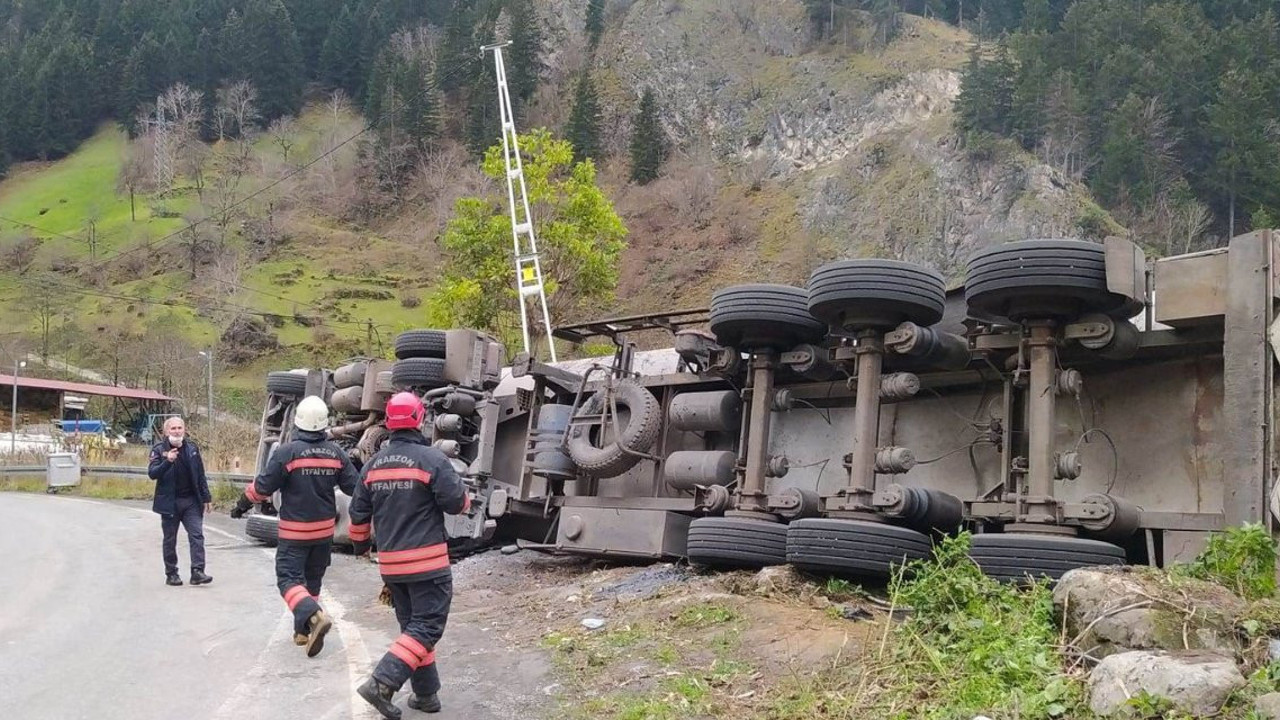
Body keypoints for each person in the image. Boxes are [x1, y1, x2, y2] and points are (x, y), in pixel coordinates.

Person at [350, 392, 470, 719]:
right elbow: (457, 504)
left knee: (413, 628)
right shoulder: (432, 460)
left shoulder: (373, 465)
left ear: (389, 422)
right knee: (427, 627)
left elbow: (357, 516)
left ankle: (426, 695)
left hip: (392, 567)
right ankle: (381, 683)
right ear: (419, 420)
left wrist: (362, 547)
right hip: (428, 564)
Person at [231, 395, 359, 657]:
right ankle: (303, 631)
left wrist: (241, 505)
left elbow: (262, 487)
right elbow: (355, 488)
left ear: (298, 422)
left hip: (294, 533)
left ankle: (313, 615)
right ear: (325, 423)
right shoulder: (336, 454)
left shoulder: (287, 453)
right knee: (311, 582)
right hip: (324, 534)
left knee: (288, 580)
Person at [147, 416, 213, 587]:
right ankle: (172, 574)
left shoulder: (192, 448)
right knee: (170, 539)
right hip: (169, 502)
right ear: (166, 431)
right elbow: (152, 473)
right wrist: (167, 461)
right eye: (173, 428)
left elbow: (200, 475)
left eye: (179, 428)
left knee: (197, 535)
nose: (177, 431)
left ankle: (197, 571)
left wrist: (206, 497)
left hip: (191, 501)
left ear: (184, 429)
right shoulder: (159, 449)